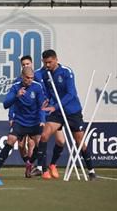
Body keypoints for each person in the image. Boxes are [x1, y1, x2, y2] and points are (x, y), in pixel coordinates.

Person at [36, 49, 97, 180]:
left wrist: (55, 106)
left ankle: (91, 171)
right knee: (45, 134)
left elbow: (71, 94)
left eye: (50, 62)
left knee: (79, 141)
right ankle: (41, 168)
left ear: (56, 59)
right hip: (57, 112)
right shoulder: (44, 73)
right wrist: (47, 99)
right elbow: (38, 80)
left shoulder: (66, 72)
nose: (47, 65)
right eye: (45, 62)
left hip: (72, 111)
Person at [0, 66, 46, 176]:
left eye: (32, 78)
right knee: (10, 140)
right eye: (27, 78)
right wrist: (16, 96)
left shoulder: (37, 87)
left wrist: (42, 119)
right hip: (20, 121)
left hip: (34, 121)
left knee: (40, 142)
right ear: (22, 76)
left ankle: (30, 163)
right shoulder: (15, 87)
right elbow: (6, 104)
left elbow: (41, 106)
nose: (30, 80)